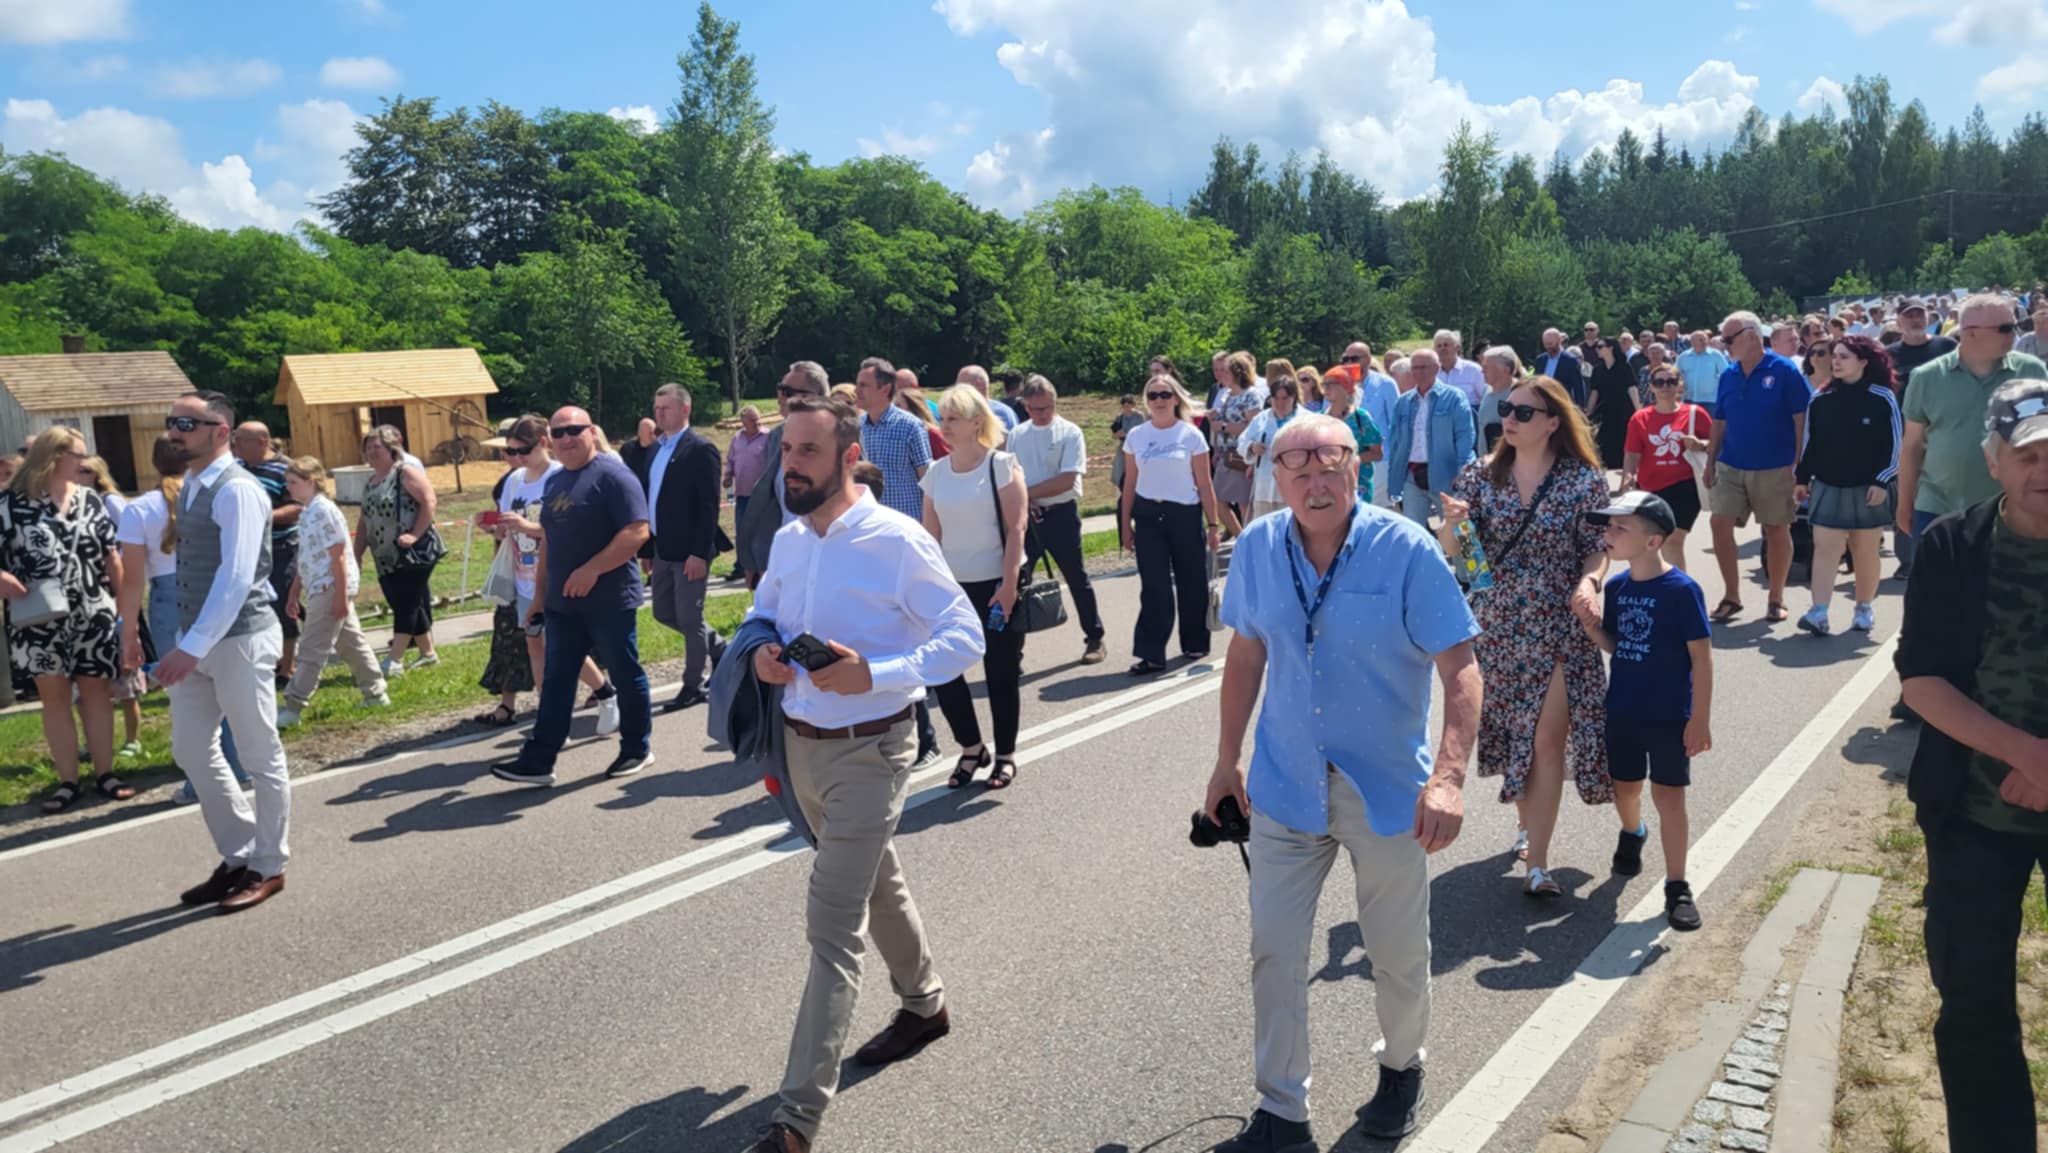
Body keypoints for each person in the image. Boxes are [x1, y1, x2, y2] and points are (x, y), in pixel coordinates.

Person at [1206, 413, 1481, 1150]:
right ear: (1276, 478)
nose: (1314, 484)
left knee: (1396, 951)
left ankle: (1402, 1066)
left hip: (1385, 790)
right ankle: (1282, 1112)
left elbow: (1461, 667)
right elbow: (1246, 655)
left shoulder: (1406, 548)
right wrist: (1227, 760)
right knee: (1274, 948)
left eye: (1329, 466)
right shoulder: (1258, 545)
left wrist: (1449, 777)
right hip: (1285, 782)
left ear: (1356, 467)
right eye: (1297, 470)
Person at [741, 395, 984, 1153]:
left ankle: (796, 1119)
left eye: (808, 452)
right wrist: (762, 654)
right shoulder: (789, 540)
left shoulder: (897, 539)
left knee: (831, 926)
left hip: (872, 750)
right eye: (786, 451)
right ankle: (925, 1004)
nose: (791, 466)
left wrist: (875, 672)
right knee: (878, 882)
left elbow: (964, 636)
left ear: (850, 457)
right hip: (799, 748)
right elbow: (762, 614)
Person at [1897, 379, 2048, 1151]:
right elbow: (1920, 680)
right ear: (1993, 458)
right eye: (2028, 453)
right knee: (1974, 1003)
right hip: (1973, 811)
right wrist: (2025, 753)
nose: (2043, 469)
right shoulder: (1952, 546)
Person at [1440, 376, 1616, 897]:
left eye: (1522, 412)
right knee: (1516, 732)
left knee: (1545, 738)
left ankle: (1537, 864)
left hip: (1559, 621)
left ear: (1553, 422)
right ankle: (1527, 825)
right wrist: (1453, 526)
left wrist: (1590, 581)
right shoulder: (1480, 474)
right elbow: (1461, 554)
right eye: (1506, 411)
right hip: (1497, 623)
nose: (1509, 421)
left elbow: (1597, 547)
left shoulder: (1582, 480)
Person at [139, 391, 290, 912]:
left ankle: (269, 865)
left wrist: (189, 647)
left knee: (259, 754)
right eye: (171, 422)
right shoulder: (193, 485)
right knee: (190, 748)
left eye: (186, 424)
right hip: (198, 640)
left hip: (240, 639)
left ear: (220, 432)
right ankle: (240, 852)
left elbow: (238, 576)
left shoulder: (239, 490)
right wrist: (188, 643)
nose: (173, 432)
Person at [490, 407, 654, 786]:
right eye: (559, 432)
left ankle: (636, 748)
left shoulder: (614, 476)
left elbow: (637, 532)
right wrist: (539, 597)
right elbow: (550, 540)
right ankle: (539, 760)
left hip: (609, 600)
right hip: (562, 603)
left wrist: (592, 569)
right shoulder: (557, 481)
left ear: (591, 431)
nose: (566, 438)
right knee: (557, 678)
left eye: (574, 430)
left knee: (625, 672)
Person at [1574, 491, 1712, 931]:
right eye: (1609, 526)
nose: (1609, 534)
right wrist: (1591, 626)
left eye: (1621, 528)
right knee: (1626, 788)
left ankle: (1677, 885)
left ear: (1652, 541)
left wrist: (1700, 719)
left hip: (1669, 714)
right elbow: (1619, 646)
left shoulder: (1682, 591)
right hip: (1623, 709)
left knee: (1669, 796)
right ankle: (1633, 831)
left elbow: (1701, 658)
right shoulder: (1617, 588)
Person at [1, 427, 135, 813]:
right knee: (55, 699)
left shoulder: (90, 499)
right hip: (38, 617)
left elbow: (112, 557)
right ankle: (67, 781)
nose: (85, 462)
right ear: (55, 456)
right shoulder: (10, 503)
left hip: (92, 612)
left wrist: (126, 614)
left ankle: (106, 773)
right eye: (79, 455)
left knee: (97, 694)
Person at [117, 435, 250, 803]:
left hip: (167, 596)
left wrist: (129, 631)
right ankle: (240, 766)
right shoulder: (208, 496)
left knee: (188, 695)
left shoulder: (139, 509)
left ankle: (204, 779)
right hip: (210, 588)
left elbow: (132, 580)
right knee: (226, 683)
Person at [1899, 294, 2048, 596]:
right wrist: (1904, 504)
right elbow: (1912, 445)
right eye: (2005, 328)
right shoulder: (1927, 377)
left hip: (2011, 511)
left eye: (2015, 325)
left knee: (2006, 601)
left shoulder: (2032, 372)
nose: (2015, 333)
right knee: (1936, 599)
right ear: (1970, 333)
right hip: (1938, 506)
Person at [922, 386, 1028, 789]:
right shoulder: (936, 473)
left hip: (997, 585)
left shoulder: (1001, 464)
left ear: (976, 422)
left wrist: (1009, 584)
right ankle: (971, 747)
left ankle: (1005, 755)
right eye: (942, 418)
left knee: (1000, 672)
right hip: (952, 589)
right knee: (944, 670)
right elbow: (930, 538)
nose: (945, 426)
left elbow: (1017, 528)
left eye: (953, 418)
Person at [476, 415, 613, 729]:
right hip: (524, 576)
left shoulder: (559, 476)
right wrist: (494, 528)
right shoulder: (514, 480)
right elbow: (508, 528)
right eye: (511, 451)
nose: (517, 458)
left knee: (562, 646)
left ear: (542, 443)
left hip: (556, 574)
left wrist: (528, 527)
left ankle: (603, 691)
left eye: (523, 451)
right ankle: (550, 715)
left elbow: (566, 529)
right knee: (535, 645)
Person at [1704, 310, 1812, 625]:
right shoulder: (1729, 374)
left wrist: (1799, 463)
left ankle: (1776, 598)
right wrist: (1710, 461)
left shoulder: (1784, 370)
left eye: (1729, 339)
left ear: (1752, 336)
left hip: (1775, 465)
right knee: (1719, 522)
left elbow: (1801, 419)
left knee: (1776, 528)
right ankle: (1731, 596)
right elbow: (1719, 420)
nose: (1725, 345)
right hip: (1731, 463)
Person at [1794, 337, 1901, 637]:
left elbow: (1895, 445)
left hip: (1869, 488)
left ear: (1863, 362)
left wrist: (1882, 480)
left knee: (1864, 550)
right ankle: (1819, 612)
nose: (1836, 362)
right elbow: (1810, 443)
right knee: (1824, 548)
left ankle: (1864, 608)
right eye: (1835, 356)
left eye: (1844, 357)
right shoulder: (1820, 397)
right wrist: (1802, 479)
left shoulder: (1882, 397)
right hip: (1828, 485)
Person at [1120, 374, 1222, 676]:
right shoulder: (1136, 436)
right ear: (1146, 401)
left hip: (1184, 514)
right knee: (1155, 586)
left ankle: (1195, 641)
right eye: (1153, 395)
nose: (1159, 401)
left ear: (1176, 399)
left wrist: (1213, 524)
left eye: (1165, 394)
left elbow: (1205, 484)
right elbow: (1129, 484)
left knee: (1192, 582)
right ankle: (1151, 653)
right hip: (1149, 516)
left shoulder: (1190, 435)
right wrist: (1125, 525)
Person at [277, 458, 389, 727]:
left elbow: (337, 555)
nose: (288, 487)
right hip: (322, 585)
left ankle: (293, 705)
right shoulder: (308, 512)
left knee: (312, 647)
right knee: (350, 642)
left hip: (330, 586)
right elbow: (307, 556)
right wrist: (294, 592)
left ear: (311, 482)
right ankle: (375, 692)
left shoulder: (323, 510)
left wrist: (340, 596)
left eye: (293, 482)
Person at [1012, 375, 1108, 663]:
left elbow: (1067, 479)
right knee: (1017, 581)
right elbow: (1010, 474)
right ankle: (1013, 652)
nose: (1042, 413)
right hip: (1027, 517)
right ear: (1026, 406)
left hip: (1060, 513)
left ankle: (1095, 637)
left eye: (1047, 407)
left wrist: (1027, 493)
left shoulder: (1069, 432)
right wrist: (1024, 500)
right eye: (1035, 409)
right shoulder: (1017, 435)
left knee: (1076, 577)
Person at [639, 383, 722, 712]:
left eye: (666, 408)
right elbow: (652, 500)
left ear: (685, 409)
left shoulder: (700, 449)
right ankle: (720, 647)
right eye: (656, 408)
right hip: (663, 547)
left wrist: (699, 553)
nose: (659, 414)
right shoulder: (655, 449)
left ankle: (692, 685)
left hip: (690, 551)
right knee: (663, 611)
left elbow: (709, 506)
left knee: (690, 617)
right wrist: (648, 549)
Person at [1885, 297, 1962, 580]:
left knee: (1947, 493)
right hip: (1905, 435)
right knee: (1907, 494)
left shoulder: (1947, 347)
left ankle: (1953, 551)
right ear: (1899, 320)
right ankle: (1908, 559)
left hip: (1945, 432)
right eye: (1909, 315)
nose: (1916, 320)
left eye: (1920, 314)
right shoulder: (1889, 355)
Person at [353, 427, 440, 677]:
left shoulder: (404, 473)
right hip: (384, 556)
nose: (371, 451)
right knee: (404, 601)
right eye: (368, 447)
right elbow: (364, 519)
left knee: (406, 603)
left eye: (377, 446)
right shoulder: (370, 482)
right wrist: (357, 553)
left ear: (391, 449)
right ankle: (428, 653)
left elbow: (429, 501)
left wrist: (415, 534)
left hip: (413, 553)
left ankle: (395, 659)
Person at [737, 361, 829, 591]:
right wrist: (756, 559)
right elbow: (771, 503)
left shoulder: (841, 435)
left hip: (829, 556)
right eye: (780, 389)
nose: (779, 396)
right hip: (788, 557)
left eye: (786, 391)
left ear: (811, 397)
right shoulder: (778, 435)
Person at [78, 455, 143, 760]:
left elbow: (128, 539)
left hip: (111, 594)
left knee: (124, 682)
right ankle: (92, 741)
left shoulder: (110, 502)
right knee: (85, 687)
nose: (78, 474)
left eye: (85, 470)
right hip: (84, 600)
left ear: (96, 474)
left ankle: (132, 739)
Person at [1622, 366, 1713, 572]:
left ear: (1680, 385)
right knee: (1649, 543)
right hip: (1649, 488)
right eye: (1659, 382)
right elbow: (1632, 453)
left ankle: (1678, 588)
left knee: (1672, 541)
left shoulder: (1695, 414)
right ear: (1651, 387)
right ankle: (1655, 583)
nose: (1665, 387)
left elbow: (1717, 444)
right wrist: (1627, 478)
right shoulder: (1639, 418)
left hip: (1684, 486)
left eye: (1671, 382)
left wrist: (1700, 444)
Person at [231, 422, 301, 685]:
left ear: (262, 442)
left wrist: (264, 517)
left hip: (282, 547)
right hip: (249, 549)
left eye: (241, 440)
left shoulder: (286, 469)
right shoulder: (238, 468)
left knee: (283, 602)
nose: (235, 445)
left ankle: (288, 666)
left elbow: (298, 507)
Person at [1383, 348, 1477, 527]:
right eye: (1414, 368)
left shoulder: (1454, 398)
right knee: (1413, 531)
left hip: (1447, 475)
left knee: (1460, 530)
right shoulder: (1403, 402)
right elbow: (1394, 443)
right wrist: (1394, 478)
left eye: (1423, 367)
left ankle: (1466, 548)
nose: (1418, 372)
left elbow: (1465, 437)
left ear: (1436, 368)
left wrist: (1463, 473)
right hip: (1412, 476)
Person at [854, 357, 934, 522]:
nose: (857, 390)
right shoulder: (856, 427)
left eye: (864, 385)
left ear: (885, 389)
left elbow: (927, 480)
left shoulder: (910, 426)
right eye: (857, 384)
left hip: (906, 523)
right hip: (868, 523)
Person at [1210, 351, 1265, 537]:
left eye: (1226, 371)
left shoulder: (1251, 396)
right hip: (1225, 455)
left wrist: (1224, 426)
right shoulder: (1226, 395)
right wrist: (1216, 450)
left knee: (1244, 504)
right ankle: (1242, 538)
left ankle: (1250, 541)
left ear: (1238, 372)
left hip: (1241, 455)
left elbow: (1253, 428)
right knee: (1218, 501)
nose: (1222, 374)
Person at [1340, 341, 1400, 507]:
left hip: (1378, 461)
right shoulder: (1337, 385)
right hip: (1344, 461)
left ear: (1367, 359)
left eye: (1354, 358)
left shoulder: (1385, 384)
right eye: (1345, 359)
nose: (1349, 363)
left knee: (1374, 509)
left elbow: (1396, 423)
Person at [1242, 367, 1305, 521]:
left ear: (1294, 397)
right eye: (1275, 398)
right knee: (1265, 529)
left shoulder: (1306, 420)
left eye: (1285, 398)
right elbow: (1242, 441)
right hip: (1264, 487)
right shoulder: (1261, 419)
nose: (1279, 403)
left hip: (1294, 488)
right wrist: (1252, 447)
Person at [1321, 368, 1385, 507]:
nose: (1326, 388)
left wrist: (1349, 460)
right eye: (1324, 384)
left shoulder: (1360, 417)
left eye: (1332, 383)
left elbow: (1377, 453)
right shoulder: (1320, 419)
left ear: (1346, 388)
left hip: (1358, 484)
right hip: (1328, 484)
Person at [724, 404, 773, 581]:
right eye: (752, 420)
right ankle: (741, 566)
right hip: (742, 494)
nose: (757, 422)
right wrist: (728, 475)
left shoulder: (768, 437)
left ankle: (762, 567)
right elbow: (731, 460)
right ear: (743, 421)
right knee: (742, 532)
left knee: (761, 532)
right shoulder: (737, 438)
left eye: (758, 419)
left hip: (762, 496)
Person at [1586, 337, 1639, 470]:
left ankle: (1626, 468)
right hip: (1605, 411)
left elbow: (1632, 389)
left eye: (1600, 346)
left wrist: (1638, 410)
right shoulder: (1598, 369)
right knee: (1604, 440)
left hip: (1624, 410)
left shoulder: (1624, 367)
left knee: (1623, 439)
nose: (1597, 349)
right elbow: (1594, 392)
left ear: (1610, 348)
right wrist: (1588, 413)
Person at [954, 365, 1016, 442]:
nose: (958, 391)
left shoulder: (1003, 414)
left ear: (978, 384)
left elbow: (1013, 444)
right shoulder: (954, 413)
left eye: (961, 387)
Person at [1676, 331, 1731, 418]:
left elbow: (1726, 374)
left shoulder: (1716, 355)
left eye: (1705, 339)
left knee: (1711, 424)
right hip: (1689, 398)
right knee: (1691, 424)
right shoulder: (1683, 357)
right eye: (1700, 340)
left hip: (1710, 400)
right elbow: (1676, 374)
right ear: (1692, 342)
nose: (1704, 342)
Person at [1532, 328, 1589, 410]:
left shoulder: (1570, 361)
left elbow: (1578, 387)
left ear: (1559, 340)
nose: (1548, 346)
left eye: (1551, 343)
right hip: (1542, 404)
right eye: (1546, 344)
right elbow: (1535, 382)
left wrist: (1580, 408)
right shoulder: (1540, 360)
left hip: (1562, 405)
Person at [1435, 330, 1486, 410]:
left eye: (1446, 345)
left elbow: (1486, 397)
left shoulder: (1473, 370)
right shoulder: (1431, 372)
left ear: (1457, 348)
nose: (1442, 348)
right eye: (1439, 346)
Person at [1109, 393, 1144, 497]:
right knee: (1120, 470)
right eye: (1124, 406)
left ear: (1133, 405)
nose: (1126, 409)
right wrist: (1117, 434)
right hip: (1123, 447)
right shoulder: (1119, 417)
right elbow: (1113, 435)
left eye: (1128, 406)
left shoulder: (1139, 416)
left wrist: (1128, 435)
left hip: (1138, 448)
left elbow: (1144, 433)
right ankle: (1122, 492)